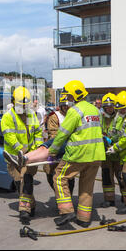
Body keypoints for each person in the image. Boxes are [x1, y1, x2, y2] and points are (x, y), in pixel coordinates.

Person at [47, 80, 105, 228]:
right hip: (96, 155)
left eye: (68, 96)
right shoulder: (95, 110)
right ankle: (84, 219)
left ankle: (67, 211)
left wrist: (53, 151)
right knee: (87, 186)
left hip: (78, 154)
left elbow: (62, 134)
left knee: (59, 178)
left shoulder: (75, 111)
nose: (67, 99)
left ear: (73, 96)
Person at [0, 86, 43, 225]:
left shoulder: (31, 115)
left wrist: (36, 150)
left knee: (27, 179)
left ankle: (24, 211)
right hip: (13, 157)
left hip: (30, 157)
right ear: (13, 102)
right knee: (19, 182)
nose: (23, 108)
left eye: (25, 105)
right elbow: (10, 137)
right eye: (20, 105)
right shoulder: (8, 117)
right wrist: (20, 151)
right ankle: (32, 205)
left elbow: (37, 133)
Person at [100, 93, 123, 208]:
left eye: (111, 106)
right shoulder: (100, 117)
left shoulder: (120, 117)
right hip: (105, 154)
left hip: (118, 152)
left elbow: (122, 133)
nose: (109, 108)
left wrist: (112, 139)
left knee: (121, 176)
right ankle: (109, 199)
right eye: (106, 106)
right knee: (106, 177)